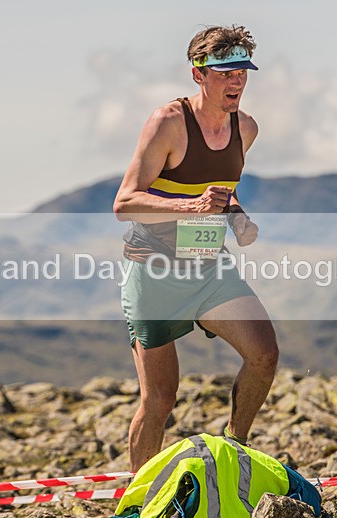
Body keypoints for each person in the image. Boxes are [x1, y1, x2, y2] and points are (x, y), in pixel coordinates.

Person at [113, 25, 279, 471]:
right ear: (199, 74)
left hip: (208, 267)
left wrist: (237, 218)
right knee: (160, 399)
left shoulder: (246, 127)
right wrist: (193, 205)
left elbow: (223, 192)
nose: (237, 81)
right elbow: (124, 203)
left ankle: (235, 448)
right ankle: (138, 498)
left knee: (264, 355)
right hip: (156, 271)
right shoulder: (167, 123)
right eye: (225, 72)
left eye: (243, 71)